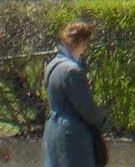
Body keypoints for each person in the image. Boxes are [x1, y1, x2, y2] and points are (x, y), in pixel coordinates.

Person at [41, 23, 107, 167]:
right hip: (72, 132)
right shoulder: (72, 70)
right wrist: (103, 122)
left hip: (52, 128)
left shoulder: (53, 65)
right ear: (81, 42)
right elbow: (85, 106)